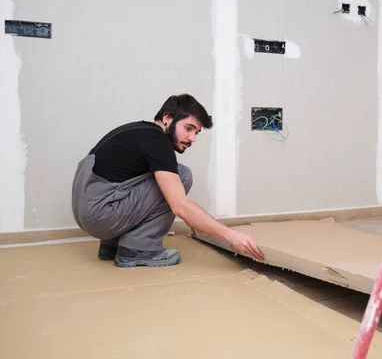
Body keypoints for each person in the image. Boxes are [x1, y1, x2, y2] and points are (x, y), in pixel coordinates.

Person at [71, 94, 264, 267]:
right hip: (100, 215)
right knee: (181, 175)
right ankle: (138, 249)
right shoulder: (157, 142)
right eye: (188, 128)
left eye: (196, 132)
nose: (192, 138)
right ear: (167, 118)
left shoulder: (139, 132)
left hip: (89, 211)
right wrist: (231, 235)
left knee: (166, 177)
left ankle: (112, 244)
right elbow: (180, 206)